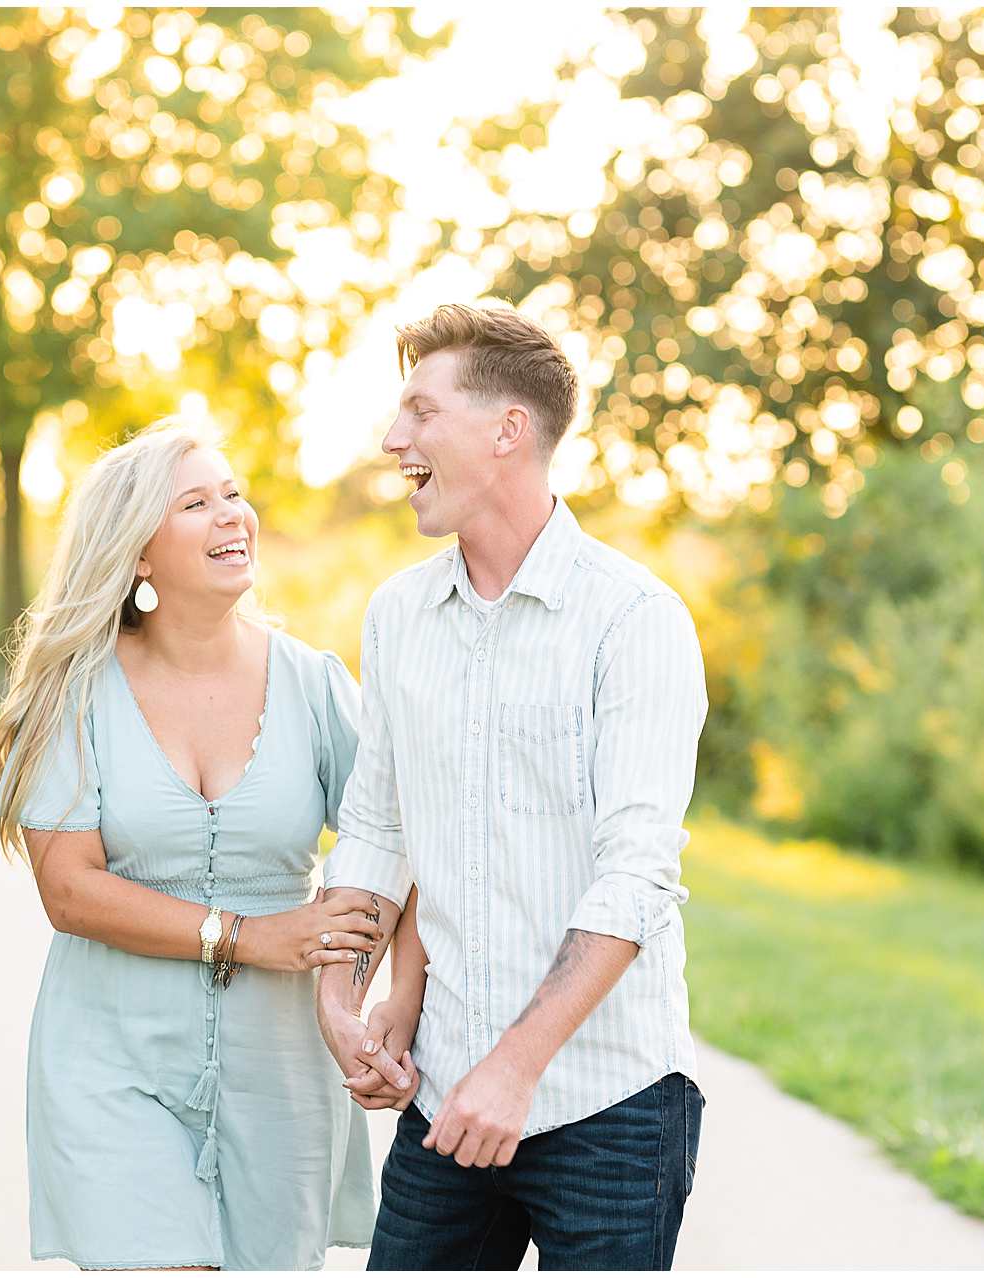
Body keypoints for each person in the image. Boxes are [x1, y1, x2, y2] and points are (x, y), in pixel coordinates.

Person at [315, 302, 710, 1270]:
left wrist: (514, 1069)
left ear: (507, 430)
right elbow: (377, 827)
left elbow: (635, 879)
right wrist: (343, 997)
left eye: (421, 411)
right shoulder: (399, 614)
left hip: (609, 1106)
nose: (393, 439)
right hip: (445, 1093)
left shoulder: (633, 620)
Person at [0, 418, 403, 1270]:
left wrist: (346, 998)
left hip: (281, 1066)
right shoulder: (74, 694)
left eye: (233, 494)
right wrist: (248, 936)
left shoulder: (315, 684)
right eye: (194, 504)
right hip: (111, 1055)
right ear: (138, 553)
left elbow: (388, 843)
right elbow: (69, 889)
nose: (231, 516)